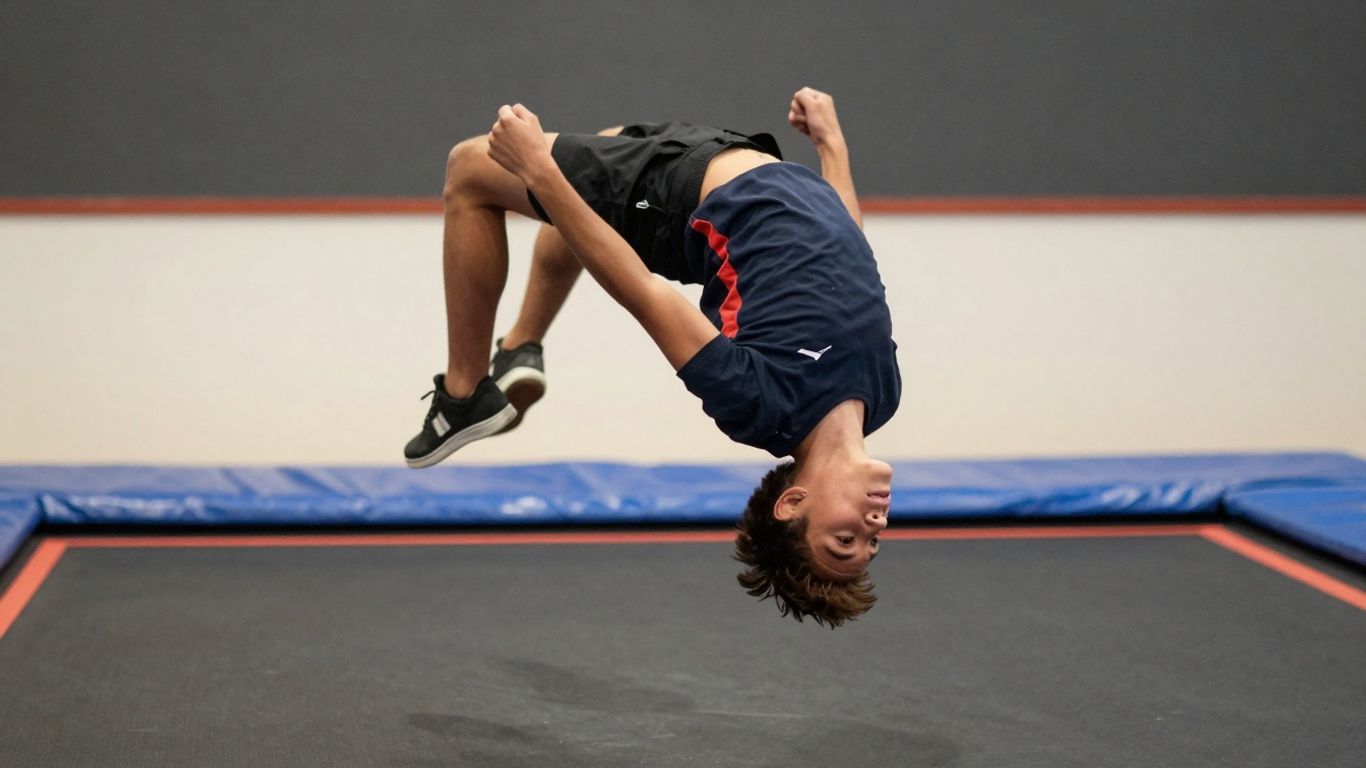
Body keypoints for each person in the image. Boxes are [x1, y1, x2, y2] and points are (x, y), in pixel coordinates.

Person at [405, 88, 900, 626]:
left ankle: (463, 394)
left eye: (845, 539)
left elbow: (643, 292)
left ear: (793, 504)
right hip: (734, 159)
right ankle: (521, 345)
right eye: (871, 544)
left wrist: (540, 171)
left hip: (677, 199)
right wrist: (832, 146)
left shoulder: (760, 406)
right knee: (603, 147)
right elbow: (851, 250)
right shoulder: (883, 394)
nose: (874, 527)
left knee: (470, 169)